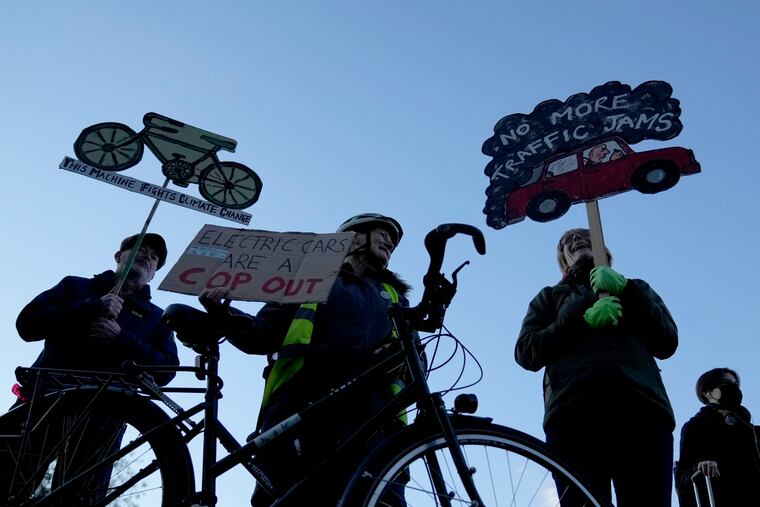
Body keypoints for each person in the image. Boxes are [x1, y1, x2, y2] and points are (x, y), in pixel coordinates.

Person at [199, 213, 411, 506]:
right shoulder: (310, 280)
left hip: (374, 428)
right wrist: (226, 315)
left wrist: (397, 360)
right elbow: (263, 334)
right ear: (353, 237)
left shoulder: (394, 297)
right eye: (382, 232)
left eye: (393, 239)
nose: (390, 241)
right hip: (301, 416)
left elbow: (416, 363)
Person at [4, 232, 179, 502]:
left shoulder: (157, 319)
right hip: (45, 397)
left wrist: (121, 338)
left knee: (80, 499)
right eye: (140, 249)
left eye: (154, 258)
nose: (147, 257)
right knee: (5, 478)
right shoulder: (75, 287)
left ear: (154, 273)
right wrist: (89, 308)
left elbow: (166, 370)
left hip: (105, 416)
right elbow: (27, 324)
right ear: (119, 256)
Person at [515, 228, 678, 506]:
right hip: (573, 413)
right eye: (567, 242)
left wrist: (627, 290)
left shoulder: (635, 287)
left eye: (585, 237)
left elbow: (667, 341)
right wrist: (581, 319)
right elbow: (526, 352)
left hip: (641, 408)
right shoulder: (549, 297)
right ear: (563, 259)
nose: (576, 241)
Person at [675, 368, 760, 506]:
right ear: (707, 393)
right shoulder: (695, 427)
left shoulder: (751, 431)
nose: (733, 388)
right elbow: (682, 479)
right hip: (718, 498)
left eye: (735, 385)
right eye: (726, 383)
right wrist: (699, 467)